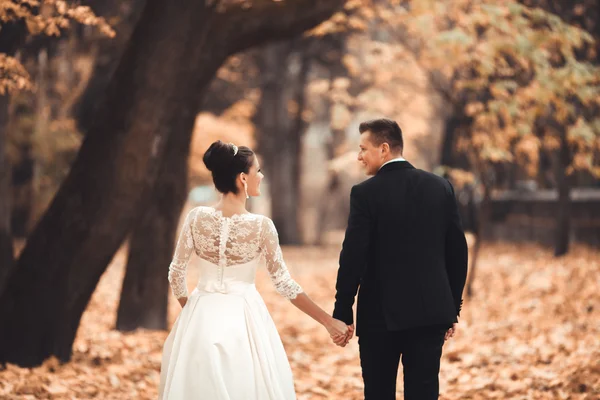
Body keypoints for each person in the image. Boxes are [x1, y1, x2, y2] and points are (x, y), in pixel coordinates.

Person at [158, 140, 350, 400]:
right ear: (242, 178)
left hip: (199, 317)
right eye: (257, 171)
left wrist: (193, 310)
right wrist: (328, 322)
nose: (260, 176)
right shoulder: (261, 226)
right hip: (244, 319)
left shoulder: (196, 218)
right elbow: (284, 284)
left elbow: (176, 274)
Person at [331, 118, 468, 399]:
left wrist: (343, 308)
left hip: (379, 317)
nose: (358, 157)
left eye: (363, 149)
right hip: (431, 313)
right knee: (424, 392)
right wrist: (451, 307)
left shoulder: (365, 194)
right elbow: (457, 251)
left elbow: (353, 256)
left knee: (379, 393)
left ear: (383, 149)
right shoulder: (440, 187)